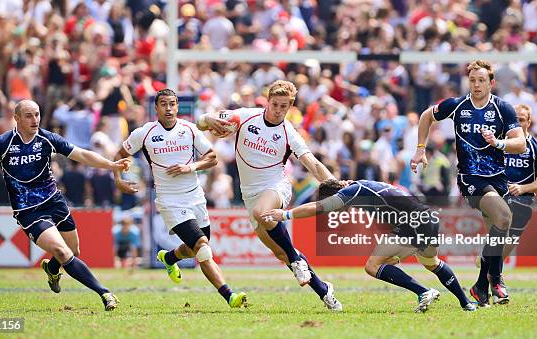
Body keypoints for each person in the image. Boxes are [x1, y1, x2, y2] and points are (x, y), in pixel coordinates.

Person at [197, 80, 342, 311]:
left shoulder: (288, 132)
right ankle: (324, 290)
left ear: (290, 106)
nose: (278, 110)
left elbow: (312, 163)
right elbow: (202, 122)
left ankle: (296, 261)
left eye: (284, 106)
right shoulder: (245, 116)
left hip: (276, 186)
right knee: (281, 252)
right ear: (267, 101)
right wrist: (208, 119)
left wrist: (334, 184)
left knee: (264, 215)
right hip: (250, 195)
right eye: (275, 104)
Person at [0, 100, 128, 311]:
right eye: (28, 115)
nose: (34, 119)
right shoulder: (2, 143)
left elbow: (80, 154)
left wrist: (110, 165)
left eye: (37, 114)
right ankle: (105, 293)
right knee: (62, 251)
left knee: (74, 251)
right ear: (16, 118)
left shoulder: (47, 138)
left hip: (55, 202)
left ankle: (52, 269)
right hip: (28, 210)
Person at [113, 89, 247, 308]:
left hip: (195, 197)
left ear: (177, 107)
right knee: (202, 247)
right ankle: (230, 295)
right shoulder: (144, 133)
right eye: (163, 104)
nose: (168, 108)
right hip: (169, 200)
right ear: (155, 108)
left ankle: (170, 258)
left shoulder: (189, 129)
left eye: (172, 104)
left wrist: (190, 167)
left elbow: (212, 157)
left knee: (195, 246)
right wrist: (118, 180)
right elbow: (119, 156)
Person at [261, 179, 477, 312]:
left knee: (372, 266)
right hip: (428, 218)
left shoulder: (348, 193)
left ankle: (423, 292)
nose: (337, 213)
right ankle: (466, 302)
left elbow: (318, 207)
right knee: (431, 263)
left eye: (335, 209)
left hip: (413, 222)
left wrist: (286, 214)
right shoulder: (360, 186)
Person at [411, 60, 526, 305]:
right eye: (472, 80)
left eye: (481, 80)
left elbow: (521, 143)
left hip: (498, 178)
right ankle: (496, 278)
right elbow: (426, 116)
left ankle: (480, 287)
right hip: (470, 178)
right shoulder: (457, 105)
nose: (476, 85)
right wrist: (420, 149)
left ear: (491, 83)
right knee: (504, 217)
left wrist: (498, 143)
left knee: (496, 233)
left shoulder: (503, 109)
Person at [472, 103, 537, 306]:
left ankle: (484, 283)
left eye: (522, 119)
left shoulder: (536, 148)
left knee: (503, 246)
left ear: (529, 122)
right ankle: (493, 284)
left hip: (522, 201)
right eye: (515, 119)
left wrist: (522, 188)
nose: (517, 122)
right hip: (497, 197)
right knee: (496, 241)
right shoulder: (497, 144)